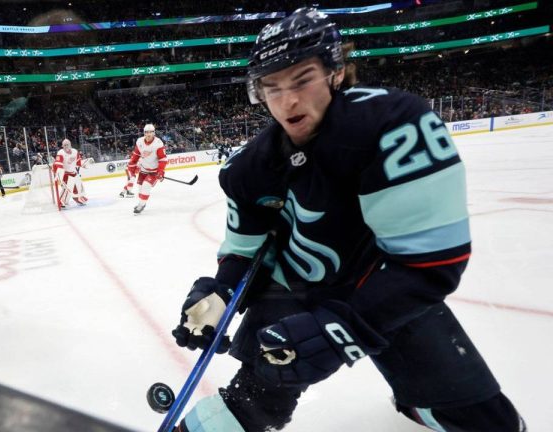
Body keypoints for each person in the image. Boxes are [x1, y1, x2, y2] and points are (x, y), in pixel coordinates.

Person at [170, 9, 525, 432]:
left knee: (489, 422)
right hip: (296, 285)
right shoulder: (249, 168)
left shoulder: (393, 126)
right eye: (272, 87)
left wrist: (343, 329)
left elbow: (429, 262)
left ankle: (422, 403)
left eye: (302, 79)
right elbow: (244, 250)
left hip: (384, 285)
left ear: (335, 72)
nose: (287, 101)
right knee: (252, 403)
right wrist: (222, 290)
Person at [119, 123, 168, 214]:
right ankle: (142, 203)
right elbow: (136, 154)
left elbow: (163, 159)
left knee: (146, 186)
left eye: (151, 132)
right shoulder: (140, 141)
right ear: (144, 133)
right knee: (140, 189)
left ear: (154, 133)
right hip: (143, 170)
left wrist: (161, 171)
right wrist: (132, 164)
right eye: (146, 132)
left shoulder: (158, 143)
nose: (148, 134)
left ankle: (141, 205)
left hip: (154, 171)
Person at [53, 138, 91, 207]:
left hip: (72, 172)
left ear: (70, 145)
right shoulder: (60, 153)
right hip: (64, 173)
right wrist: (59, 175)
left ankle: (79, 198)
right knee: (67, 187)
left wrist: (84, 164)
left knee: (78, 185)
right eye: (64, 145)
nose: (66, 146)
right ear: (62, 146)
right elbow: (58, 164)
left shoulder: (75, 151)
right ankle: (61, 201)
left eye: (67, 144)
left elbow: (78, 162)